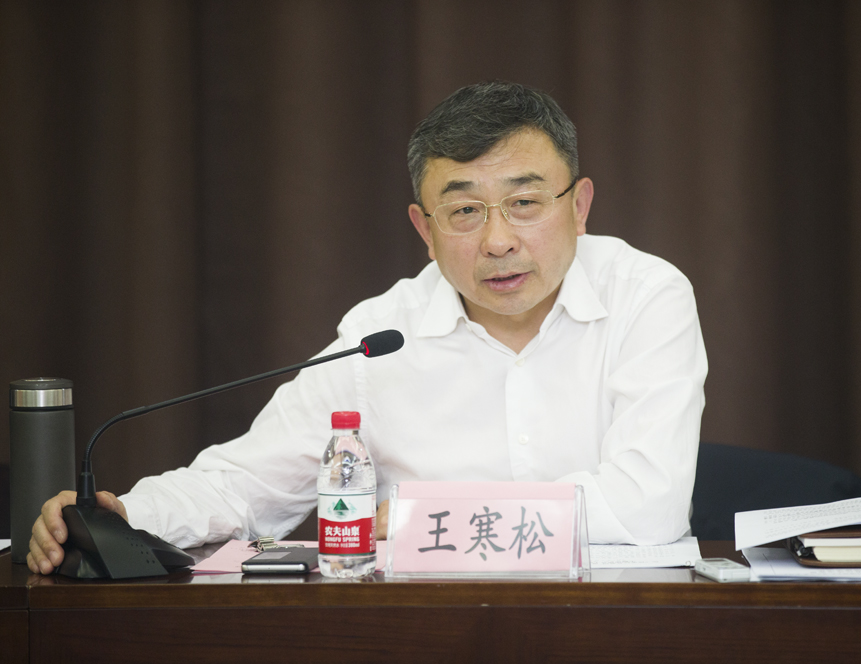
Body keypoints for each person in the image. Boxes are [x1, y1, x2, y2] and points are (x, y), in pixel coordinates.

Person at [28, 81, 708, 575]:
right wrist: (127, 515)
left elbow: (647, 508)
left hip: (612, 627)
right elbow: (243, 484)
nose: (499, 240)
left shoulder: (646, 297)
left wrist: (424, 519)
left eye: (525, 202)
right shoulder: (380, 335)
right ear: (425, 229)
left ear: (579, 206)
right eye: (464, 211)